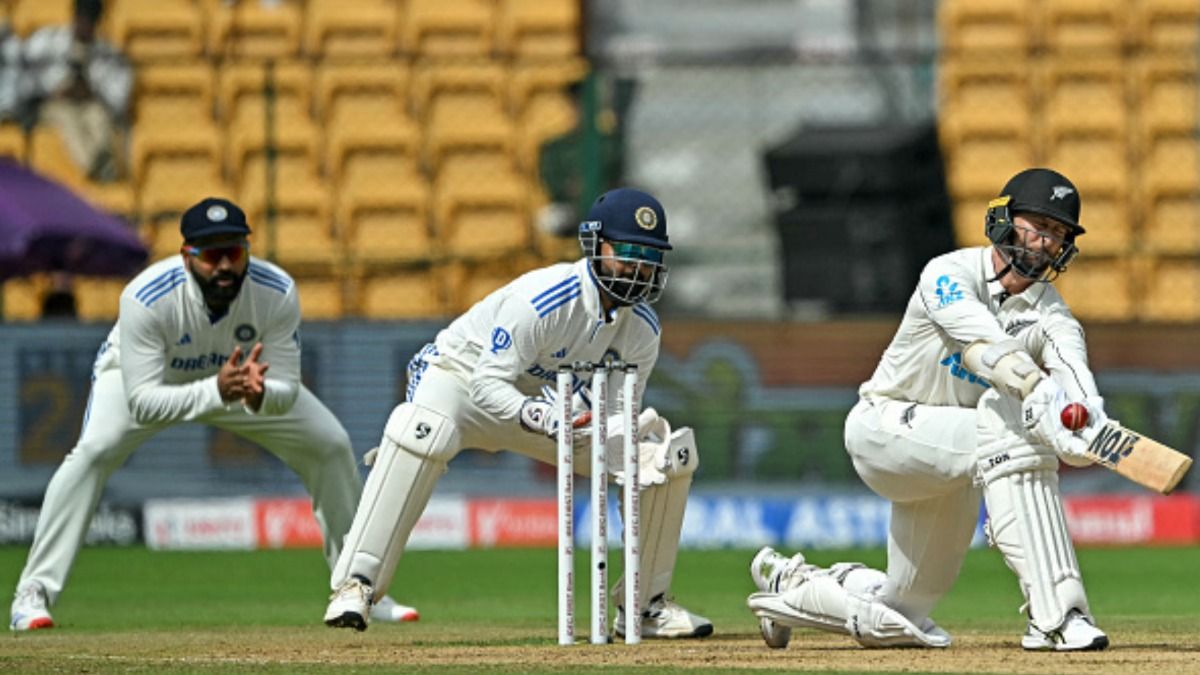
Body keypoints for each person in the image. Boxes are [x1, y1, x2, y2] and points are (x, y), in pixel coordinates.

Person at [746, 168, 1113, 652]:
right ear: (1003, 218)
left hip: (953, 461)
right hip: (884, 429)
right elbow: (981, 345)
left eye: (1059, 234)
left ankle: (794, 585)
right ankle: (1058, 615)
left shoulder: (1051, 314)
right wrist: (1035, 387)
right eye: (1038, 226)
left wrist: (1087, 422)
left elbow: (1074, 373)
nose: (1046, 243)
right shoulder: (947, 273)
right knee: (1008, 422)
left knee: (902, 611)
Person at [10, 197, 417, 631]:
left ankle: (358, 587)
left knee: (330, 445)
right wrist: (217, 390)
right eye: (211, 255)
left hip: (239, 381)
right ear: (187, 257)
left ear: (247, 252)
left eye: (234, 253)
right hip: (152, 379)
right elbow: (144, 403)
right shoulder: (147, 298)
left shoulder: (276, 291)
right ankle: (32, 594)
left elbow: (285, 389)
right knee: (93, 453)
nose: (225, 266)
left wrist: (261, 395)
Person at [323, 187, 713, 639]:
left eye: (649, 256)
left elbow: (613, 411)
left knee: (660, 456)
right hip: (462, 383)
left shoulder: (642, 330)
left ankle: (645, 607)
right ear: (595, 245)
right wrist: (546, 417)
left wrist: (613, 428)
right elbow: (488, 385)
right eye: (627, 251)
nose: (638, 267)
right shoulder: (545, 300)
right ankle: (357, 585)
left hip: (549, 406)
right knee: (422, 431)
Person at [19, 0, 132, 181]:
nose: (84, 25)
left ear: (98, 23)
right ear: (74, 16)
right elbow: (23, 70)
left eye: (90, 21)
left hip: (89, 103)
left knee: (99, 117)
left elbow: (119, 97)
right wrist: (55, 89)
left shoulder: (107, 53)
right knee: (67, 118)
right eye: (81, 18)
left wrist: (91, 91)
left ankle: (104, 162)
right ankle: (93, 165)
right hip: (53, 102)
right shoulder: (49, 41)